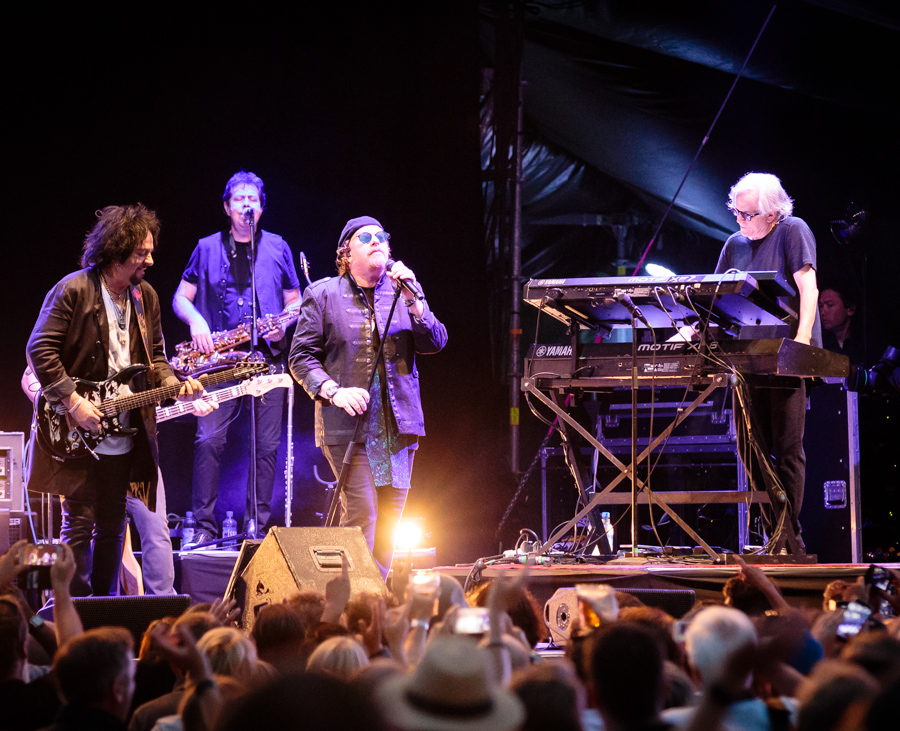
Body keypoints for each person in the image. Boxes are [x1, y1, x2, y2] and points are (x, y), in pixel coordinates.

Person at [26, 204, 210, 596]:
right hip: (77, 428)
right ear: (117, 251)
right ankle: (68, 610)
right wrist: (73, 402)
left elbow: (155, 357)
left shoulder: (146, 297)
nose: (151, 259)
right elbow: (40, 349)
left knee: (113, 525)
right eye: (142, 252)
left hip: (123, 429)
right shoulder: (73, 289)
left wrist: (174, 382)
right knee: (77, 524)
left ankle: (101, 608)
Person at [289, 216, 447, 577]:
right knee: (363, 517)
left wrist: (413, 297)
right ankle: (350, 608)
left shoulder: (403, 292)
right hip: (350, 429)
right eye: (366, 238)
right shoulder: (324, 294)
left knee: (390, 526)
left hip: (398, 429)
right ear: (346, 252)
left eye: (382, 237)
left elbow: (435, 341)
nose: (377, 241)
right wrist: (334, 391)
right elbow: (300, 357)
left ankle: (370, 605)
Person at [173, 171, 301, 544]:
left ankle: (256, 530)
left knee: (266, 446)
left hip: (267, 362)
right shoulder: (206, 247)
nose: (248, 205)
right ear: (227, 207)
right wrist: (196, 319)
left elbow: (295, 302)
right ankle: (203, 526)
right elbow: (181, 297)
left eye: (254, 199)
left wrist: (283, 327)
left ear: (261, 207)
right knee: (208, 440)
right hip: (219, 363)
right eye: (240, 199)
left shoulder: (278, 247)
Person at [716, 172, 820, 552]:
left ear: (773, 213)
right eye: (736, 213)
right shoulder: (734, 243)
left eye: (748, 214)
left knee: (786, 445)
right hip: (746, 358)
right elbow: (719, 299)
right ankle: (772, 531)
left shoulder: (793, 230)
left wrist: (803, 341)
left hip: (784, 355)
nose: (740, 221)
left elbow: (808, 288)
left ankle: (788, 535)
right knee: (749, 447)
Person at [818, 285, 865, 365]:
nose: (822, 312)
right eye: (821, 306)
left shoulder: (865, 345)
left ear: (850, 309)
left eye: (830, 305)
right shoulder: (821, 344)